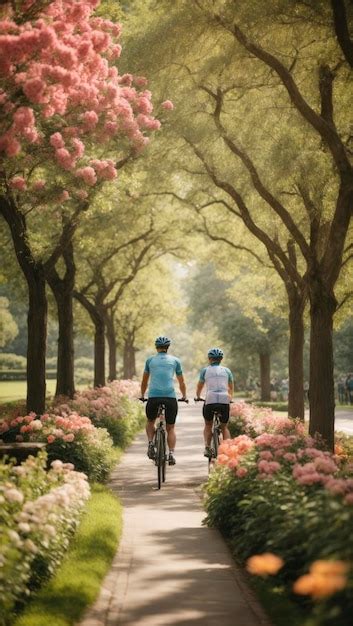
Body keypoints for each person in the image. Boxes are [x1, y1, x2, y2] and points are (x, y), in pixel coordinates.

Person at [140, 335, 187, 465]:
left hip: (153, 397)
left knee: (150, 421)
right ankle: (171, 454)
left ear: (156, 347)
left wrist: (143, 395)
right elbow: (181, 382)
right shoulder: (175, 361)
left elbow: (144, 381)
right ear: (168, 348)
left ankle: (150, 444)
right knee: (170, 428)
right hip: (170, 397)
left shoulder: (150, 361)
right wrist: (184, 396)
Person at [195, 347, 234, 458]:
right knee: (224, 427)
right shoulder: (227, 371)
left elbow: (200, 385)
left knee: (208, 425)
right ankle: (228, 451)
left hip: (210, 399)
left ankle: (207, 448)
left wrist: (198, 396)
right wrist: (230, 398)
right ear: (221, 359)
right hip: (224, 400)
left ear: (209, 359)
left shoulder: (205, 371)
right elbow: (231, 387)